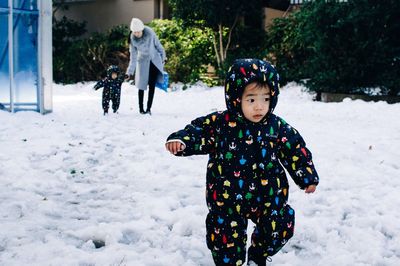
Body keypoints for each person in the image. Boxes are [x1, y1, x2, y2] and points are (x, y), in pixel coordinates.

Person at [165, 59, 319, 266]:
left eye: (266, 99)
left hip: (268, 196)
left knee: (279, 225)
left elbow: (295, 150)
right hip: (227, 199)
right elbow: (199, 131)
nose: (260, 107)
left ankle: (258, 255)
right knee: (226, 240)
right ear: (236, 98)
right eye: (251, 100)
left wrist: (307, 175)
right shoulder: (221, 124)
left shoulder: (277, 127)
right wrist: (182, 141)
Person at [126, 18, 166, 115]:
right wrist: (129, 72)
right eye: (135, 32)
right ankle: (141, 109)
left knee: (152, 85)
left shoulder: (150, 33)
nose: (137, 34)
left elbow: (158, 45)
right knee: (141, 86)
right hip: (142, 62)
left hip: (154, 61)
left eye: (138, 32)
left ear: (142, 29)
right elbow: (133, 57)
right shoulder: (132, 39)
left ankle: (148, 108)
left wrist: (163, 57)